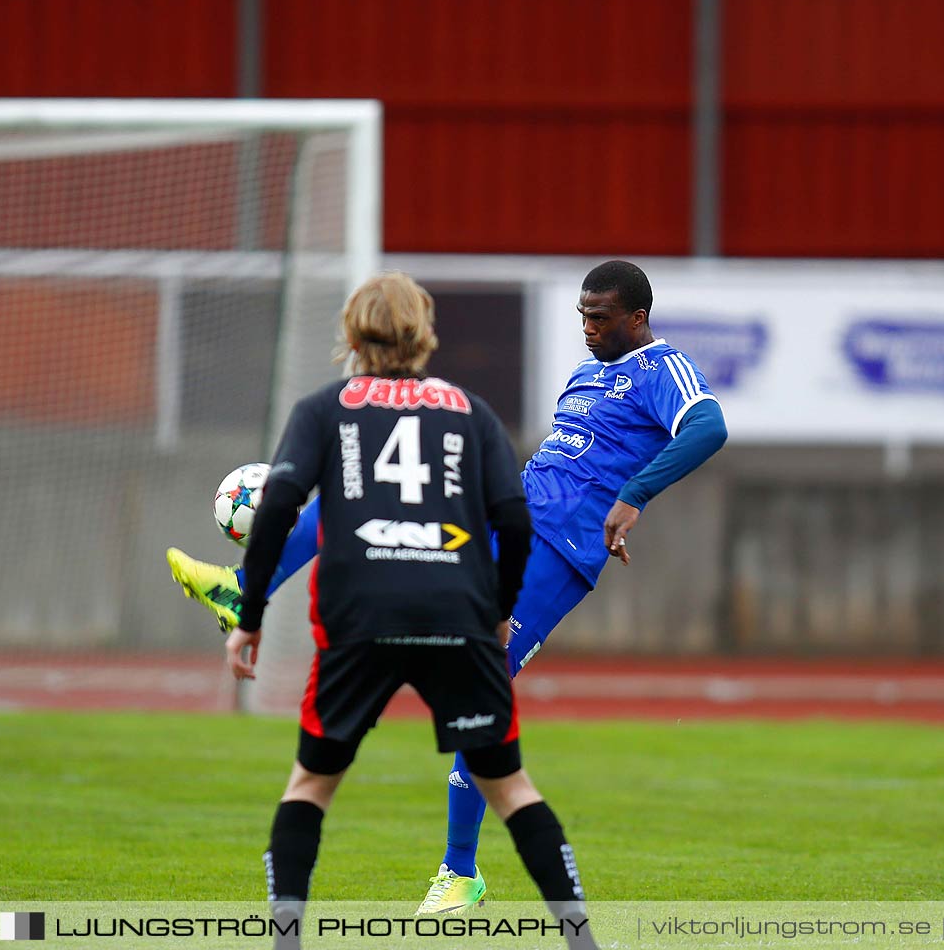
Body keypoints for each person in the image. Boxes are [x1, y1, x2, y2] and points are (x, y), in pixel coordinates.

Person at [170, 259, 727, 911]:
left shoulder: (664, 368)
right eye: (581, 316)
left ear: (637, 318)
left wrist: (633, 495)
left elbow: (708, 427)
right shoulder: (584, 375)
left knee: (483, 696)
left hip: (558, 549)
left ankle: (459, 871)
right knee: (365, 487)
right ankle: (244, 589)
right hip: (507, 512)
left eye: (600, 318)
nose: (587, 329)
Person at [226, 271, 595, 950]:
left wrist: (249, 613)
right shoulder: (470, 410)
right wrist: (502, 608)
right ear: (423, 334)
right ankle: (580, 939)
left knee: (310, 784)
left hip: (358, 613)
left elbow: (277, 508)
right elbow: (513, 519)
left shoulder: (323, 408)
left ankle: (285, 940)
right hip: (457, 611)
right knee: (511, 787)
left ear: (351, 333)